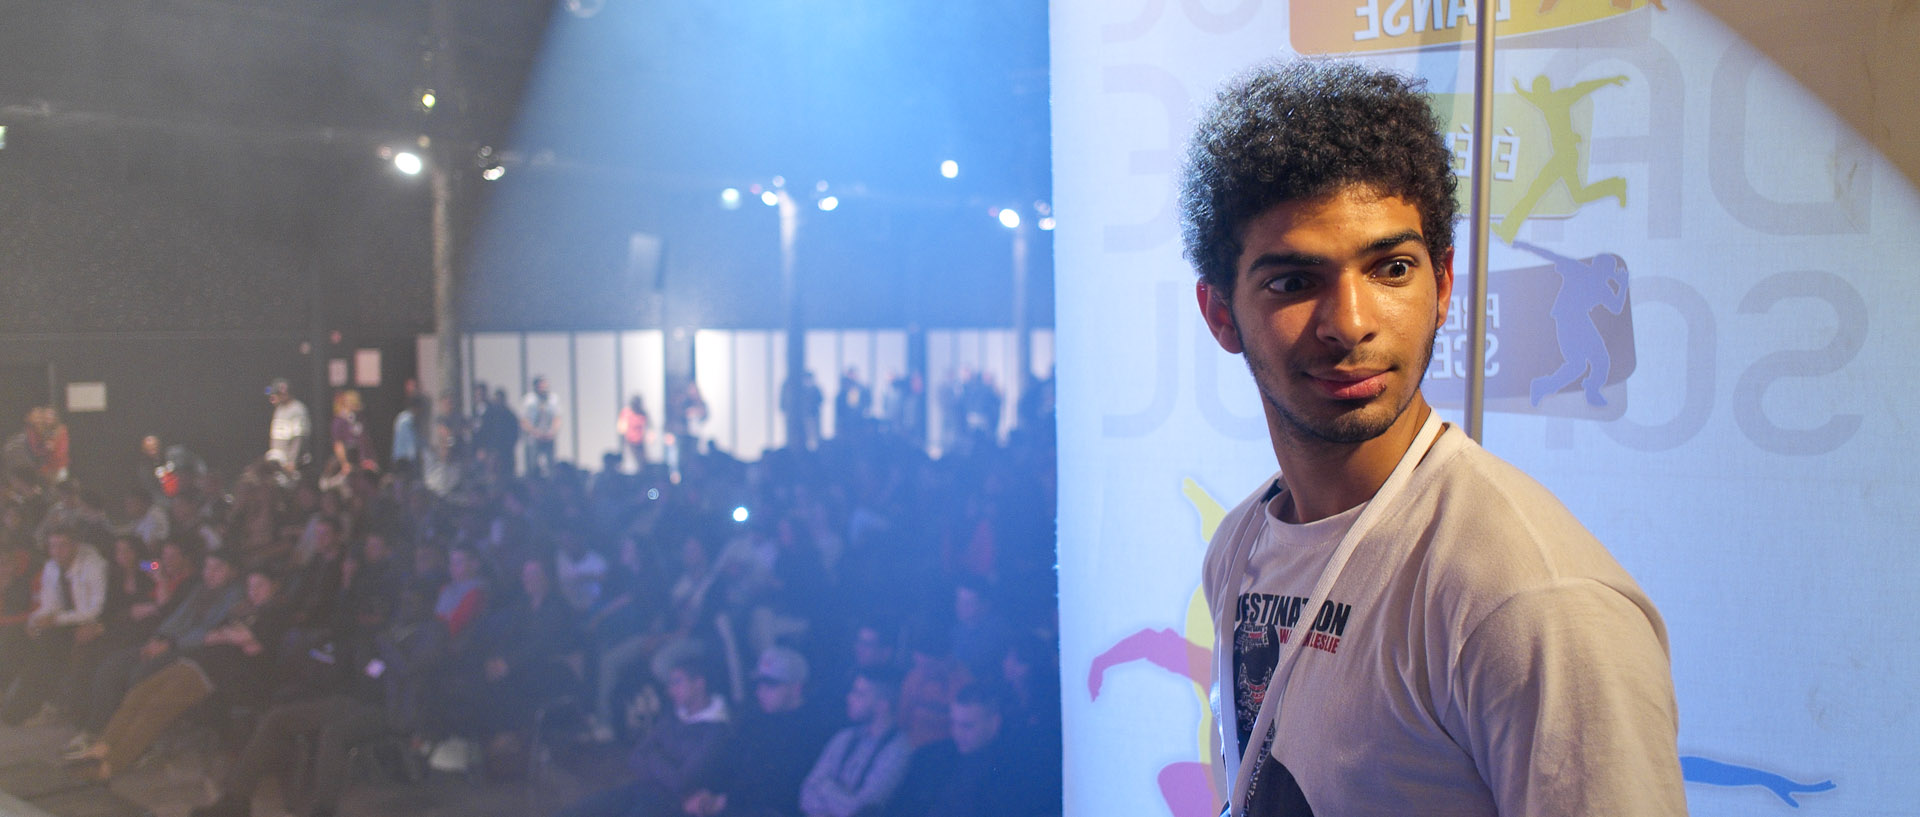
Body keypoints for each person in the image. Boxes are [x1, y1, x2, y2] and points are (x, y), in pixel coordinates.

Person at [1180, 60, 1682, 815]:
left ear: (1443, 283)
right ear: (1220, 313)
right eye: (1293, 281)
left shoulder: (1530, 598)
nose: (1351, 321)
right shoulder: (1243, 543)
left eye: (1391, 267)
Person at [559, 654, 733, 817]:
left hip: (671, 805)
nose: (670, 691)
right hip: (642, 788)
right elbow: (635, 756)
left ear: (699, 684)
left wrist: (652, 757)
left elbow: (681, 783)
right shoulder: (674, 713)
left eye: (677, 683)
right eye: (670, 684)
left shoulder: (715, 730)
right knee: (580, 810)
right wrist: (664, 765)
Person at [798, 668, 914, 817]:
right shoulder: (844, 737)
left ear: (882, 705)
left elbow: (861, 810)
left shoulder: (899, 749)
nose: (849, 698)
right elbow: (805, 794)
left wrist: (825, 786)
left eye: (859, 694)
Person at [267, 378, 311, 475]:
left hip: (292, 463)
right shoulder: (279, 409)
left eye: (278, 394)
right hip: (278, 460)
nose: (275, 397)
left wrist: (292, 462)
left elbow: (299, 438)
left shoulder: (297, 409)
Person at [521, 375, 563, 476]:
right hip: (534, 438)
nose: (544, 388)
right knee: (533, 464)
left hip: (549, 437)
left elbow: (557, 417)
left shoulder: (553, 399)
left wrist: (552, 432)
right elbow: (524, 420)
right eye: (541, 385)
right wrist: (536, 433)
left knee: (551, 463)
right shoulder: (529, 400)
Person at [618, 395, 650, 469]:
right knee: (630, 460)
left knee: (641, 460)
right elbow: (621, 428)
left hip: (640, 441)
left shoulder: (643, 413)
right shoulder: (626, 412)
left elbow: (648, 426)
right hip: (629, 441)